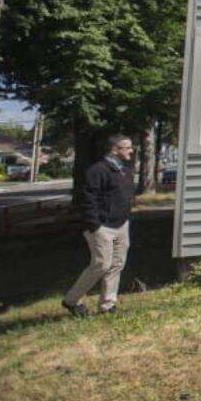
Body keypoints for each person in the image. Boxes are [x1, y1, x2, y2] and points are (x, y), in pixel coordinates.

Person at [62, 134, 136, 317]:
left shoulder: (124, 171)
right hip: (102, 227)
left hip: (121, 225)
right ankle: (71, 301)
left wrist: (126, 217)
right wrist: (95, 225)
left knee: (117, 265)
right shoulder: (98, 170)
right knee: (101, 264)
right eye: (127, 147)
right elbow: (87, 200)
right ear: (114, 150)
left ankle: (107, 306)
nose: (131, 151)